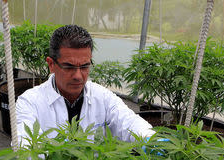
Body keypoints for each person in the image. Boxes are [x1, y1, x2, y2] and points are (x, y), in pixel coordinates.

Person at [15, 25, 155, 146]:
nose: (78, 75)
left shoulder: (102, 96)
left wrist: (150, 139)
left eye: (84, 66)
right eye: (69, 67)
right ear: (51, 64)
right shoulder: (29, 102)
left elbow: (128, 121)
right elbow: (25, 145)